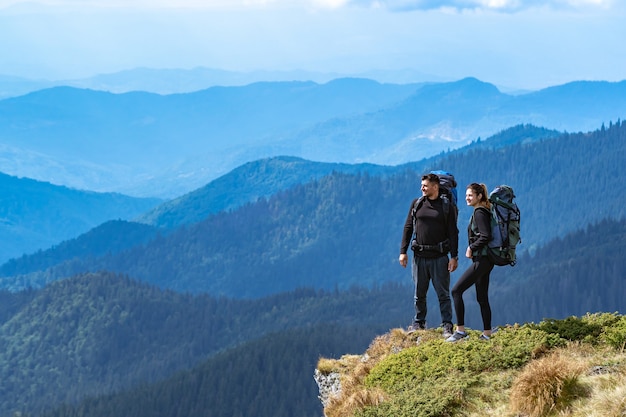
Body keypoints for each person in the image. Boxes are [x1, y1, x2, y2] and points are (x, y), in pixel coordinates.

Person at [399, 173, 459, 338]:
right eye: (422, 185)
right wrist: (403, 252)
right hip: (419, 256)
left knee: (443, 294)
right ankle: (419, 322)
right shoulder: (417, 204)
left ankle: (447, 325)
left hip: (440, 257)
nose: (422, 188)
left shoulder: (446, 206)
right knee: (419, 293)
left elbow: (453, 233)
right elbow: (408, 228)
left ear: (435, 186)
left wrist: (454, 256)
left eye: (425, 185)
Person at [446, 183, 495, 342]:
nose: (467, 198)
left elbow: (485, 235)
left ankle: (460, 331)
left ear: (479, 196)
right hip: (486, 260)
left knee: (456, 291)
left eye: (470, 195)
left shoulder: (480, 212)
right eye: (466, 195)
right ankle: (487, 334)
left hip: (482, 260)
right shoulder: (484, 210)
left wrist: (471, 248)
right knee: (482, 297)